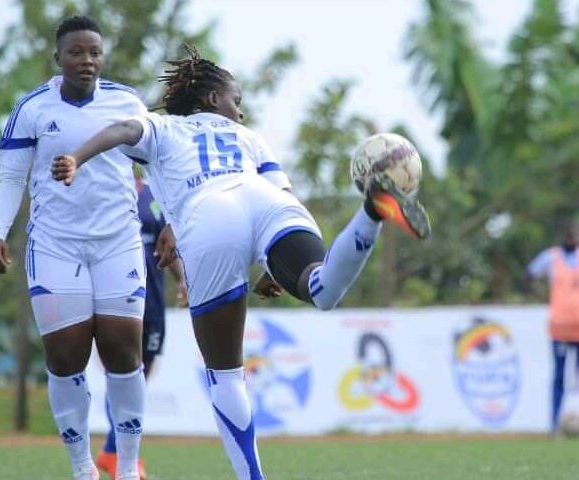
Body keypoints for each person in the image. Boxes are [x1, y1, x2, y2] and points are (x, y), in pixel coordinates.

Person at [52, 46, 430, 480]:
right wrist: (276, 268)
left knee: (226, 374)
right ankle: (371, 213)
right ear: (214, 100)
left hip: (208, 216)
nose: (242, 112)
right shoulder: (251, 140)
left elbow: (121, 129)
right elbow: (282, 201)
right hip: (268, 203)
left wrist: (79, 157)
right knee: (322, 288)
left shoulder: (164, 127)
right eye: (238, 101)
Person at [0, 15, 157, 480]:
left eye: (94, 52)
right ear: (57, 57)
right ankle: (82, 469)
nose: (87, 61)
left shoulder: (127, 102)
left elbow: (158, 167)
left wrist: (171, 222)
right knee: (65, 358)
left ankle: (125, 467)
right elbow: (11, 178)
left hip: (118, 242)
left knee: (125, 352)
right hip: (56, 246)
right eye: (76, 52)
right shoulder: (32, 109)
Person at [96, 170, 187, 478]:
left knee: (139, 378)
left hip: (153, 303)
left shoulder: (154, 196)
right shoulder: (103, 191)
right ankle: (121, 454)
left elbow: (167, 247)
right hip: (115, 298)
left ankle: (111, 451)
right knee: (119, 374)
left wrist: (183, 281)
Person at [527, 220, 579, 432]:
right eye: (568, 235)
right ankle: (554, 424)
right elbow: (528, 275)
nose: (571, 238)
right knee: (559, 376)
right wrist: (541, 296)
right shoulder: (551, 256)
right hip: (559, 326)